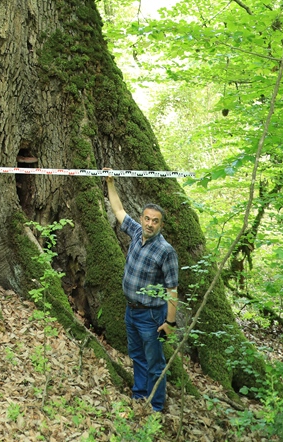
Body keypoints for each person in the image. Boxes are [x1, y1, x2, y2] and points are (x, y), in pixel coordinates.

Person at [105, 169, 178, 413]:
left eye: (155, 221)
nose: (149, 223)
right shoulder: (137, 232)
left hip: (151, 316)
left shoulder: (166, 251)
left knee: (155, 362)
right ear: (142, 218)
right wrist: (111, 183)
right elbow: (118, 211)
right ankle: (139, 396)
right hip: (131, 311)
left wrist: (170, 322)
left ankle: (155, 406)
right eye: (147, 218)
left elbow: (172, 290)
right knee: (137, 356)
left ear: (161, 224)